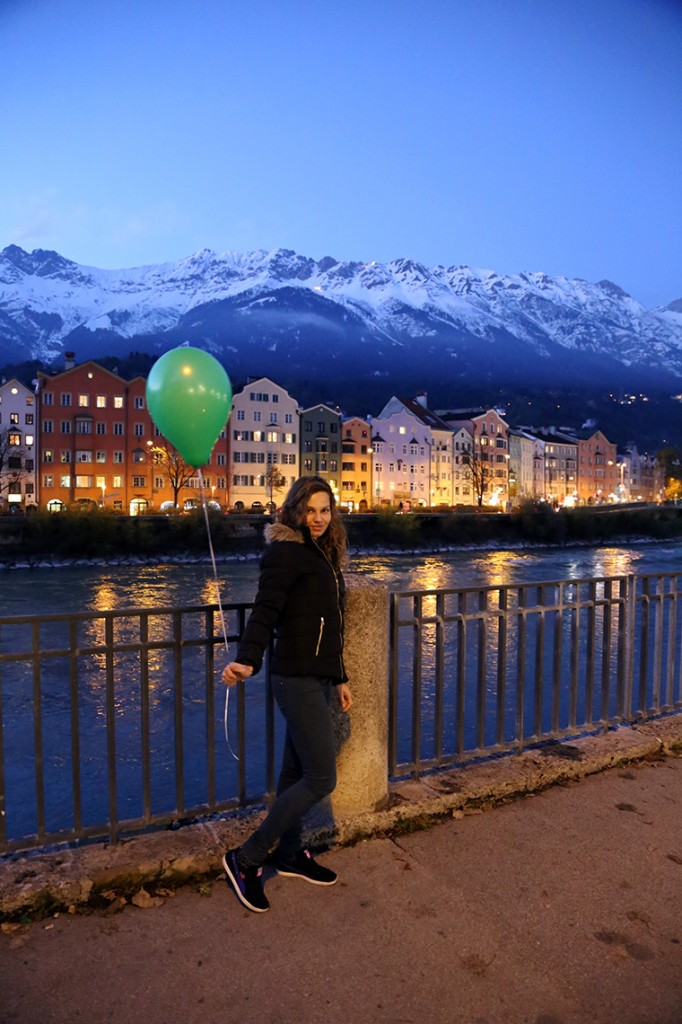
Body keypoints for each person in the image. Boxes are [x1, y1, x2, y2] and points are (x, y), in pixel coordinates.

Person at [221, 476, 352, 913]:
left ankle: (291, 853)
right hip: (293, 677)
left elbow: (329, 625)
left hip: (317, 677)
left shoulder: (324, 554)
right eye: (310, 510)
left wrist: (340, 677)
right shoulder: (285, 552)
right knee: (321, 778)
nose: (318, 518)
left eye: (325, 510)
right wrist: (247, 658)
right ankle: (247, 857)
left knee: (297, 773)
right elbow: (266, 609)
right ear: (294, 510)